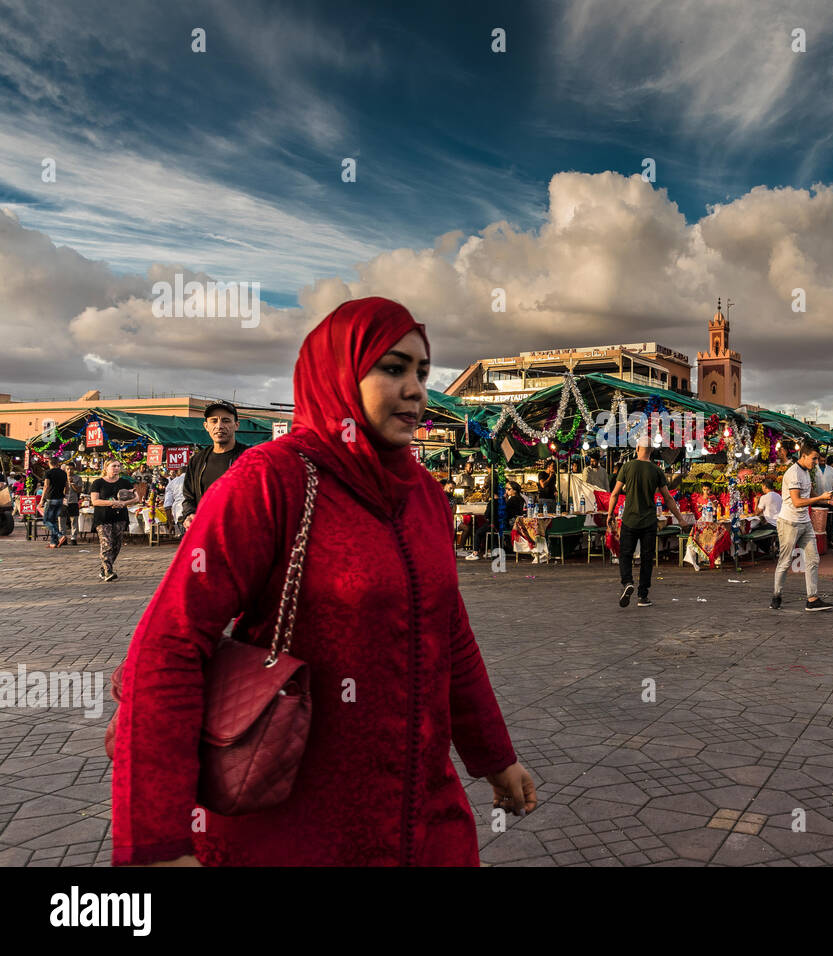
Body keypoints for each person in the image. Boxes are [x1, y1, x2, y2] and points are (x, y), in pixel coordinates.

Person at [111, 297, 536, 867]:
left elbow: (449, 634)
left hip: (424, 822)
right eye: (393, 368)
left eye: (421, 372)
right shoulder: (273, 481)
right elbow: (168, 645)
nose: (416, 389)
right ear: (337, 374)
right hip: (297, 828)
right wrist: (157, 843)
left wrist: (495, 757)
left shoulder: (424, 497)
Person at [607, 434, 686, 607]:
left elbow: (614, 493)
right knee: (647, 557)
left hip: (629, 519)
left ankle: (627, 582)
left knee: (625, 554)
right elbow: (668, 498)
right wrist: (680, 519)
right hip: (649, 521)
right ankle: (643, 596)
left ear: (637, 449)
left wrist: (610, 514)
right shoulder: (656, 470)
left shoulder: (627, 467)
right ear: (651, 451)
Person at [771, 439, 833, 612]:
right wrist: (820, 498)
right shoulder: (793, 473)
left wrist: (828, 500)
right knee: (785, 561)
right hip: (789, 522)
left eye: (817, 459)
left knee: (813, 559)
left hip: (805, 522)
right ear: (803, 456)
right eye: (814, 459)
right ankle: (776, 595)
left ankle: (812, 598)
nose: (816, 462)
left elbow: (811, 494)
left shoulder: (806, 473)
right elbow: (797, 502)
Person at [180, 401, 246, 532]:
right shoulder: (197, 461)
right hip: (206, 533)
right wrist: (189, 514)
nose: (219, 426)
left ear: (236, 425)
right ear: (206, 426)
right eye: (214, 421)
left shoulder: (249, 457)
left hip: (240, 533)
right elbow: (188, 497)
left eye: (226, 421)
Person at [89, 459, 139, 581]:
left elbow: (136, 498)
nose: (116, 468)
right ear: (106, 468)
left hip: (120, 517)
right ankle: (108, 571)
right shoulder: (98, 483)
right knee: (107, 544)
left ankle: (105, 568)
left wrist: (123, 503)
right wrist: (111, 502)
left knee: (116, 545)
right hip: (103, 517)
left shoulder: (125, 482)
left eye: (118, 466)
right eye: (114, 466)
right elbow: (95, 501)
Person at [39, 456, 69, 548]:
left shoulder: (48, 473)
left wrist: (41, 500)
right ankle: (53, 542)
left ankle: (60, 535)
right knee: (53, 521)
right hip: (60, 498)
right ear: (57, 463)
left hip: (50, 498)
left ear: (49, 463)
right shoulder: (63, 473)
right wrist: (64, 495)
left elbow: (46, 486)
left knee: (46, 520)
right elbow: (67, 486)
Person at [162, 467, 186, 536]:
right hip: (197, 513)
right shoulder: (196, 479)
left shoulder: (173, 482)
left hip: (180, 512)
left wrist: (170, 524)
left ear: (178, 473)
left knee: (186, 538)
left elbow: (167, 505)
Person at [64, 463, 83, 545]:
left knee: (74, 520)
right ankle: (63, 537)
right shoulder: (62, 478)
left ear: (74, 469)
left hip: (73, 501)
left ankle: (73, 538)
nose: (69, 471)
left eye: (71, 469)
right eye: (67, 469)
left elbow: (78, 490)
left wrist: (72, 483)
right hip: (63, 501)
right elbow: (64, 491)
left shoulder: (78, 478)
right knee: (62, 520)